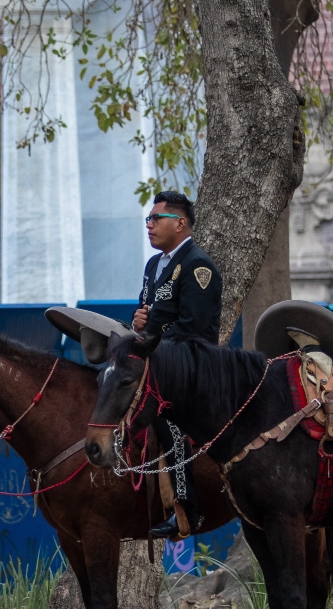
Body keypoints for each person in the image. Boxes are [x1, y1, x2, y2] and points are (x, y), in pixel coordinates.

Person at [132, 191, 223, 540]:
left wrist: (153, 335)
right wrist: (139, 321)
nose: (150, 225)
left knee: (168, 420)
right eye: (148, 220)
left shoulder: (199, 267)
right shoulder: (154, 265)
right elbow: (147, 313)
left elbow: (194, 330)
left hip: (190, 367)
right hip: (154, 364)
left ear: (180, 223)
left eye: (157, 219)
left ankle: (187, 508)